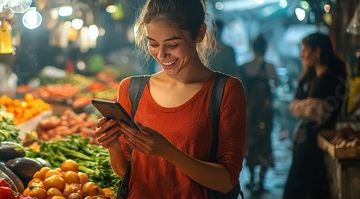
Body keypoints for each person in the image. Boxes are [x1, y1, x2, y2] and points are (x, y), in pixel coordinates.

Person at [94, 0, 247, 198]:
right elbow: (126, 173)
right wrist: (113, 146)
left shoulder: (225, 90)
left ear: (199, 34)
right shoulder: (131, 89)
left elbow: (226, 181)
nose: (162, 54)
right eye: (153, 44)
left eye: (173, 45)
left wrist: (168, 152)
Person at [283, 32, 347, 199]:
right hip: (305, 140)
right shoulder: (308, 75)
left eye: (305, 50)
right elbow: (295, 105)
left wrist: (300, 106)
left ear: (317, 51)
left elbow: (318, 113)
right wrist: (302, 106)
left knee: (304, 188)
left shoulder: (329, 78)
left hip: (317, 141)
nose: (301, 55)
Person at [239, 34, 279, 192]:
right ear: (265, 48)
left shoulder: (244, 66)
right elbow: (277, 82)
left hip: (249, 112)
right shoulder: (270, 67)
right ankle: (261, 181)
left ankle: (252, 178)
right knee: (265, 142)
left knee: (250, 143)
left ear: (252, 48)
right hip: (265, 113)